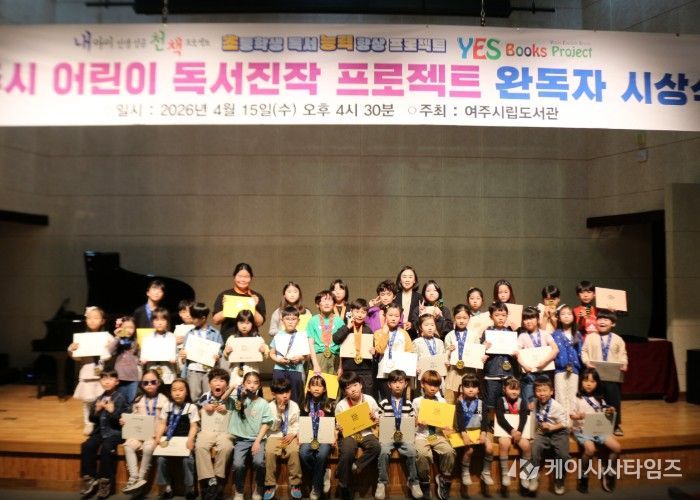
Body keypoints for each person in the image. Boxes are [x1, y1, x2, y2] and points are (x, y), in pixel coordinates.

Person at [569, 368, 621, 493]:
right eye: (586, 380)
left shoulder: (600, 399)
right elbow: (571, 415)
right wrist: (578, 416)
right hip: (581, 430)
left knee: (617, 448)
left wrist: (610, 410)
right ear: (581, 382)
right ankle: (583, 477)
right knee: (590, 449)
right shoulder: (576, 398)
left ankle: (609, 473)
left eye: (592, 381)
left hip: (597, 429)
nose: (589, 384)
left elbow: (603, 413)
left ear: (597, 383)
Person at [79, 370, 128, 499]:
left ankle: (105, 481)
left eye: (110, 379)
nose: (107, 381)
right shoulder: (99, 398)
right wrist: (96, 410)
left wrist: (112, 412)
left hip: (115, 433)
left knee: (107, 448)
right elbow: (92, 419)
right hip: (100, 431)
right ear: (100, 381)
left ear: (117, 382)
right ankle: (89, 478)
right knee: (87, 445)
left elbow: (122, 421)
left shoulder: (121, 398)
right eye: (104, 379)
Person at [121, 369, 169, 494]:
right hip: (138, 434)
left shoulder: (164, 400)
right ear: (141, 385)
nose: (149, 385)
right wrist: (125, 421)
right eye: (145, 383)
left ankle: (141, 478)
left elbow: (164, 421)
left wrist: (158, 437)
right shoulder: (138, 400)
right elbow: (133, 417)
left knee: (148, 447)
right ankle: (133, 477)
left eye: (153, 382)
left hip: (154, 435)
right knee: (128, 446)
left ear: (159, 383)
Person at [376, 369, 422, 499]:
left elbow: (413, 421)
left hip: (405, 436)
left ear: (405, 384)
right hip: (388, 437)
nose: (397, 385)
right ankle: (382, 483)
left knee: (412, 451)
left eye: (400, 382)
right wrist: (377, 420)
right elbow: (378, 419)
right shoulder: (383, 403)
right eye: (394, 382)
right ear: (389, 385)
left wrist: (415, 421)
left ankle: (413, 482)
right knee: (383, 452)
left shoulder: (409, 404)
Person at [581, 310, 628, 436]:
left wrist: (624, 363)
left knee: (613, 400)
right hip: (594, 376)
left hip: (612, 376)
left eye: (606, 319)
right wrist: (587, 362)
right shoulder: (590, 337)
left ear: (613, 324)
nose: (602, 322)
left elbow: (623, 354)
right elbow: (584, 351)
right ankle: (594, 426)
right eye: (600, 319)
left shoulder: (618, 339)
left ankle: (615, 425)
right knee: (594, 400)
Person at [335, 371, 381, 500]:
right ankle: (344, 486)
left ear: (360, 385)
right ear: (344, 391)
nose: (353, 390)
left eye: (355, 385)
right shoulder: (341, 405)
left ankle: (356, 466)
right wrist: (339, 427)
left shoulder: (369, 400)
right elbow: (339, 425)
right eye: (348, 388)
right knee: (348, 451)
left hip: (366, 432)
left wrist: (375, 418)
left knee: (376, 447)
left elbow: (378, 417)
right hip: (350, 434)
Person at [68, 306, 112, 435]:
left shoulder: (107, 336)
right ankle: (88, 423)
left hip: (102, 375)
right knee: (87, 401)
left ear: (102, 320)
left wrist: (109, 347)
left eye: (96, 318)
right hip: (87, 374)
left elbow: (113, 350)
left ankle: (102, 423)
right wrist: (71, 350)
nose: (92, 320)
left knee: (103, 400)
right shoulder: (81, 338)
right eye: (89, 318)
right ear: (86, 320)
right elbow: (77, 357)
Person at [229, 371, 272, 500]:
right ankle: (239, 490)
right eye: (248, 382)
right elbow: (223, 399)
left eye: (255, 383)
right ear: (243, 384)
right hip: (241, 439)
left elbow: (266, 423)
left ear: (259, 386)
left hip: (258, 439)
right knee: (237, 464)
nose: (252, 385)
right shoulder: (238, 400)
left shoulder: (263, 403)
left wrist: (257, 441)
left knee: (259, 462)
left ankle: (258, 488)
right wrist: (233, 387)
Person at [153, 378, 199, 500]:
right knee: (161, 459)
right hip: (169, 440)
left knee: (188, 460)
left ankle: (190, 488)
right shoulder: (167, 406)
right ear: (170, 392)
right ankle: (167, 488)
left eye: (181, 390)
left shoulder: (191, 407)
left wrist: (190, 440)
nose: (177, 393)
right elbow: (162, 424)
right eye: (174, 390)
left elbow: (194, 426)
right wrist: (158, 438)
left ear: (186, 392)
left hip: (185, 441)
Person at [413, 370, 456, 500]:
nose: (433, 388)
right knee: (422, 454)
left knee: (449, 451)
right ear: (422, 384)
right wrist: (417, 421)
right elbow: (412, 421)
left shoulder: (442, 401)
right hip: (422, 434)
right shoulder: (417, 401)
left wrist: (447, 425)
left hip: (437, 434)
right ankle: (424, 482)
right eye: (430, 384)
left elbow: (445, 422)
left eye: (436, 385)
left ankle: (444, 478)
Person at [194, 368, 235, 500]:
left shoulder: (232, 399)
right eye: (215, 380)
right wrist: (204, 408)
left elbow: (238, 416)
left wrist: (227, 410)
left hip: (225, 433)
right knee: (200, 446)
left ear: (227, 385)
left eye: (222, 380)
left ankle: (217, 479)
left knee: (226, 447)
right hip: (207, 431)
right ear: (209, 384)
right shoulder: (204, 397)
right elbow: (197, 412)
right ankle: (210, 480)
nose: (218, 383)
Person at [530, 375, 569, 495]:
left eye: (545, 390)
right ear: (535, 392)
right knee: (534, 449)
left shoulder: (557, 407)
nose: (542, 394)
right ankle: (533, 476)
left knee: (563, 455)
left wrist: (552, 427)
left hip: (559, 432)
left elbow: (565, 423)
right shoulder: (535, 402)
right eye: (538, 391)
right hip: (543, 432)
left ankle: (559, 480)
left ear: (551, 391)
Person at [264, 378, 302, 500]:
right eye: (281, 393)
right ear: (274, 394)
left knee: (294, 451)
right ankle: (270, 485)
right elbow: (272, 427)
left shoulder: (294, 405)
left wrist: (293, 433)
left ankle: (295, 484)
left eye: (287, 392)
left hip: (290, 435)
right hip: (275, 435)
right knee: (270, 452)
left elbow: (297, 423)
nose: (285, 396)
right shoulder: (269, 407)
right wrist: (279, 414)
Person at [299, 375, 336, 500]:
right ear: (309, 388)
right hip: (309, 437)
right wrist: (300, 436)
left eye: (320, 386)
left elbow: (333, 424)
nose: (316, 388)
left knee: (322, 455)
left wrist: (334, 437)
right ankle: (322, 473)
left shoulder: (329, 405)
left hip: (325, 438)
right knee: (303, 453)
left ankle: (316, 487)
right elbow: (300, 423)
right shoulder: (304, 404)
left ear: (324, 389)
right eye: (313, 385)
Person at [454, 373, 493, 489]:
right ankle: (465, 472)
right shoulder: (460, 403)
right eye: (467, 386)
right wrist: (464, 435)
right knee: (469, 450)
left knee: (490, 447)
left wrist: (483, 433)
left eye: (474, 387)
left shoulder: (481, 403)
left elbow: (485, 420)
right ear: (462, 388)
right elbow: (460, 421)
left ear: (478, 389)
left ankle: (486, 472)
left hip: (479, 431)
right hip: (465, 432)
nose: (471, 389)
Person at [179, 302, 223, 401]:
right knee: (194, 396)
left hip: (209, 370)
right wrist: (183, 354)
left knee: (209, 396)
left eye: (194, 318)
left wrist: (217, 355)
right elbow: (184, 352)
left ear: (203, 318)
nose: (192, 320)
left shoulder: (215, 333)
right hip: (193, 369)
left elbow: (220, 350)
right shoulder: (190, 334)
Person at [333, 298, 376, 398]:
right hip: (349, 369)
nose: (360, 315)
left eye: (363, 312)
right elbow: (336, 339)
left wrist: (374, 351)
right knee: (349, 398)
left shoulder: (368, 330)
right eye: (357, 311)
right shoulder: (346, 327)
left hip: (365, 370)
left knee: (365, 398)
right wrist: (348, 327)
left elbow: (373, 349)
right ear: (351, 311)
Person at [212, 262, 267, 341]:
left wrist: (253, 306)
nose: (243, 280)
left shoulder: (256, 297)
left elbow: (259, 323)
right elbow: (216, 321)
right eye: (240, 276)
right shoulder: (225, 295)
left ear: (251, 278)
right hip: (228, 339)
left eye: (246, 277)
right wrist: (228, 307)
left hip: (250, 339)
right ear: (234, 277)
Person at [494, 377, 531, 491]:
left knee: (526, 446)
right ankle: (505, 473)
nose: (514, 392)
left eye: (517, 389)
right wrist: (512, 431)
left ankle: (525, 474)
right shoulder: (500, 401)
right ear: (504, 389)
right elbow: (500, 418)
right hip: (504, 431)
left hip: (518, 432)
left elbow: (524, 418)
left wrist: (519, 431)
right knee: (504, 444)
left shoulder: (522, 401)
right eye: (511, 389)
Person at [517, 306, 558, 405]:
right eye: (525, 319)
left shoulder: (545, 334)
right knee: (529, 401)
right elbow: (517, 353)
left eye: (531, 318)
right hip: (529, 373)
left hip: (545, 371)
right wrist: (524, 366)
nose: (528, 321)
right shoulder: (522, 336)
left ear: (538, 319)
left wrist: (544, 362)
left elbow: (555, 349)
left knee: (545, 399)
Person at [443, 304, 484, 404]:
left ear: (469, 318)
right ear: (454, 318)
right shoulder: (449, 335)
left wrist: (482, 356)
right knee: (451, 400)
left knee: (468, 399)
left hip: (469, 371)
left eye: (465, 318)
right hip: (454, 371)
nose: (461, 321)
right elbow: (445, 357)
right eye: (458, 318)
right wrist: (449, 351)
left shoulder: (474, 335)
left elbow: (477, 354)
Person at [374, 303, 414, 402]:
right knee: (386, 402)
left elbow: (409, 352)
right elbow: (380, 350)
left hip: (400, 374)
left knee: (400, 402)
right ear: (385, 316)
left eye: (396, 316)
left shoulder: (404, 333)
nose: (393, 318)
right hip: (384, 374)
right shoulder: (378, 333)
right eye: (390, 315)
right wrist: (385, 332)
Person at [269, 306, 309, 405]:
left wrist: (299, 357)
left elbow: (308, 356)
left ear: (298, 321)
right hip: (279, 369)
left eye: (293, 319)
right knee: (279, 394)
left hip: (296, 370)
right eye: (287, 319)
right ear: (282, 320)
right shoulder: (277, 336)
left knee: (295, 397)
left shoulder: (302, 336)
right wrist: (278, 360)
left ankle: (295, 413)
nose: (290, 322)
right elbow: (272, 353)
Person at [482, 302, 517, 411]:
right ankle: (491, 421)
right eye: (497, 315)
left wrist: (515, 353)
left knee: (507, 403)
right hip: (492, 372)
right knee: (491, 403)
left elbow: (515, 352)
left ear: (507, 316)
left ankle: (505, 421)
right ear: (491, 316)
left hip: (508, 373)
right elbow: (481, 353)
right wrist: (483, 348)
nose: (500, 318)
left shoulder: (510, 332)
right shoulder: (487, 332)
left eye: (503, 315)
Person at [222, 309, 269, 389]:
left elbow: (266, 355)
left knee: (251, 391)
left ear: (252, 324)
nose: (244, 326)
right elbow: (226, 357)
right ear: (236, 323)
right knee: (235, 390)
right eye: (241, 323)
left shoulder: (257, 338)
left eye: (248, 323)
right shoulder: (232, 338)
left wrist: (264, 351)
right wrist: (226, 352)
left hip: (252, 369)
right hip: (236, 370)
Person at [551, 304, 583, 419]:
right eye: (563, 314)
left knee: (572, 397)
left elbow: (581, 352)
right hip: (560, 370)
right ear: (558, 318)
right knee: (560, 396)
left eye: (569, 314)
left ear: (574, 317)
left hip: (574, 370)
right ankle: (561, 423)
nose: (566, 316)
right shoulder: (554, 335)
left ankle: (571, 424)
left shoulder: (577, 334)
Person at [307, 289, 344, 376]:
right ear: (317, 304)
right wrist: (315, 364)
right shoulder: (313, 321)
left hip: (335, 356)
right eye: (323, 300)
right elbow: (311, 344)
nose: (327, 303)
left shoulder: (339, 321)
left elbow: (342, 345)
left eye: (330, 300)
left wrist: (340, 366)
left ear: (334, 304)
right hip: (318, 356)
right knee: (318, 383)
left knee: (334, 383)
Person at [141, 308, 178, 387]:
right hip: (152, 371)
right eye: (157, 320)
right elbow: (143, 355)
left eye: (163, 320)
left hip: (168, 372)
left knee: (167, 392)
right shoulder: (147, 337)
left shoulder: (171, 337)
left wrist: (175, 358)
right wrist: (143, 359)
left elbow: (176, 355)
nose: (160, 323)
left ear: (167, 321)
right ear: (152, 322)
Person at [110, 316, 140, 405]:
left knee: (131, 402)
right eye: (125, 327)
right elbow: (109, 351)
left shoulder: (136, 341)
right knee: (119, 402)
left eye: (131, 327)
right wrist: (117, 337)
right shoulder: (117, 340)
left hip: (133, 378)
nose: (128, 330)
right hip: (119, 378)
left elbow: (141, 356)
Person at [413, 314, 446, 388]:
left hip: (438, 375)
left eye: (432, 325)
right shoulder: (417, 342)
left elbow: (443, 358)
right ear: (420, 327)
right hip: (423, 376)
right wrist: (416, 367)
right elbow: (414, 359)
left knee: (438, 393)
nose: (430, 328)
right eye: (426, 325)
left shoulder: (440, 342)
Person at [396, 266, 421, 338]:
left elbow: (424, 317)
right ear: (400, 280)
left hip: (414, 335)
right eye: (404, 277)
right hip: (396, 333)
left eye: (410, 277)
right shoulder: (394, 296)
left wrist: (412, 324)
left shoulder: (420, 297)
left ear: (414, 280)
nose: (407, 280)